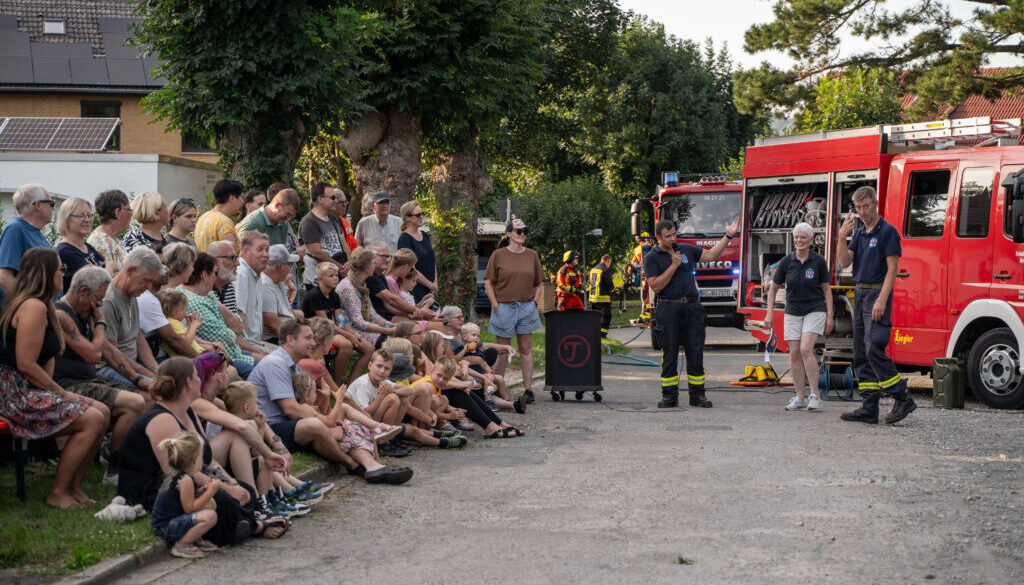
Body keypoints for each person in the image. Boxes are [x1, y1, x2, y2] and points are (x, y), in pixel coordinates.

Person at [118, 357, 285, 542]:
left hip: (188, 478)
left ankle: (245, 522)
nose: (201, 380)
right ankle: (255, 526)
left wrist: (231, 483)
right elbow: (178, 472)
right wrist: (225, 489)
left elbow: (207, 460)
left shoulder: (187, 411)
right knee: (222, 499)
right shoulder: (161, 418)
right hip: (157, 489)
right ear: (189, 383)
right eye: (198, 376)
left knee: (243, 488)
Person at [0, 248, 108, 508]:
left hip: (26, 387)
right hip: (13, 394)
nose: (64, 273)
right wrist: (62, 393)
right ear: (46, 273)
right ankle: (58, 493)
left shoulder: (44, 305)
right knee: (92, 419)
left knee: (103, 411)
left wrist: (52, 392)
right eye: (60, 268)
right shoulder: (32, 306)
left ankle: (74, 488)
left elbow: (43, 360)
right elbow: (25, 364)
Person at [249, 318, 413, 485]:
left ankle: (373, 466)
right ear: (291, 340)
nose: (314, 343)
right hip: (271, 428)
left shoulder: (293, 364)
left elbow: (302, 405)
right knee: (317, 425)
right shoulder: (276, 363)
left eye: (313, 338)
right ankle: (353, 465)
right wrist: (326, 423)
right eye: (308, 338)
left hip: (289, 423)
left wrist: (328, 419)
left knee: (344, 423)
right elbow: (290, 408)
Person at [54, 266, 146, 485]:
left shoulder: (86, 312)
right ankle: (114, 470)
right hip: (68, 383)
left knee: (148, 397)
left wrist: (139, 380)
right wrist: (101, 323)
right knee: (134, 403)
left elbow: (109, 352)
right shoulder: (61, 314)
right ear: (84, 292)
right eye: (98, 300)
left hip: (89, 380)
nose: (100, 306)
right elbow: (94, 355)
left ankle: (127, 464)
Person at [837, 186, 916, 424]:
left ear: (875, 204)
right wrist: (842, 237)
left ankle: (902, 396)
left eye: (866, 206)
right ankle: (869, 407)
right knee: (861, 352)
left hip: (876, 294)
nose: (862, 211)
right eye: (859, 207)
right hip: (859, 293)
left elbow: (893, 269)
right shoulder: (860, 233)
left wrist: (882, 299)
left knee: (874, 348)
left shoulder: (887, 231)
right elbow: (844, 262)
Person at [644, 216, 739, 409]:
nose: (672, 239)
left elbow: (712, 255)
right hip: (668, 307)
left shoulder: (685, 249)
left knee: (695, 351)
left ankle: (698, 395)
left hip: (692, 307)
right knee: (669, 352)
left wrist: (728, 236)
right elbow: (656, 286)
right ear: (658, 237)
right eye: (668, 236)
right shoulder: (652, 257)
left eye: (674, 234)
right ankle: (669, 396)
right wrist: (673, 266)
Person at [764, 222, 834, 411]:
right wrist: (769, 313)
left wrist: (830, 315)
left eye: (803, 237)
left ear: (811, 240)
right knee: (794, 353)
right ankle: (800, 397)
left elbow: (827, 290)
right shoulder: (787, 261)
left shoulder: (818, 261)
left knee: (805, 350)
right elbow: (773, 289)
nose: (799, 240)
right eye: (796, 237)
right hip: (793, 310)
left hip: (815, 308)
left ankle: (815, 396)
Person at [484, 217, 543, 403]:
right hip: (504, 306)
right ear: (509, 233)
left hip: (526, 306)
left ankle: (528, 389)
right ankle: (499, 388)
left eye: (525, 231)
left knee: (525, 349)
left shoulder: (532, 254)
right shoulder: (498, 255)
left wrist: (534, 302)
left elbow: (539, 283)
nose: (523, 234)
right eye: (519, 231)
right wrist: (495, 304)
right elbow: (488, 282)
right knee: (503, 350)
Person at [179, 253, 257, 378]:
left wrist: (216, 304)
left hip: (234, 353)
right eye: (215, 273)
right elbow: (228, 337)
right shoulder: (194, 302)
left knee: (272, 361)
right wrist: (231, 332)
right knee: (270, 371)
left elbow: (237, 326)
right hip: (225, 359)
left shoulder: (206, 294)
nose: (216, 277)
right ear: (204, 275)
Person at [100, 247, 165, 386]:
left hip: (133, 365)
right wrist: (148, 375)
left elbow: (137, 336)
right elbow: (112, 354)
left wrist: (156, 369)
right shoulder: (108, 301)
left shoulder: (132, 292)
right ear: (130, 271)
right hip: (111, 368)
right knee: (163, 393)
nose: (148, 287)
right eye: (146, 280)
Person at [151, 430, 221, 558]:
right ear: (194, 461)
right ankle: (182, 544)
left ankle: (194, 538)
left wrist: (203, 490)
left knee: (210, 504)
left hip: (173, 521)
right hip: (166, 527)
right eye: (201, 457)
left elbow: (185, 498)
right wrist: (211, 491)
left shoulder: (181, 474)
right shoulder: (185, 480)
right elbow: (190, 508)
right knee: (211, 516)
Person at [302, 261, 372, 384]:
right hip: (317, 331)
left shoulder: (333, 295)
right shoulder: (314, 295)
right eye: (331, 276)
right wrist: (348, 335)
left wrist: (351, 332)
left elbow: (340, 320)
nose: (335, 278)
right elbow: (326, 324)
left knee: (369, 348)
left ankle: (351, 383)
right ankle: (337, 382)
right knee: (346, 345)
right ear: (320, 279)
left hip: (331, 329)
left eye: (336, 275)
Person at [0, 183, 54, 297]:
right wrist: (26, 304)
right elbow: (4, 277)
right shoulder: (15, 229)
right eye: (51, 203)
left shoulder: (35, 232)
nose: (53, 208)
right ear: (38, 205)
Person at [337, 248, 396, 346]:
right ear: (366, 267)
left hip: (362, 328)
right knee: (392, 342)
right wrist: (386, 330)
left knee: (402, 334)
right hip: (351, 332)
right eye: (373, 263)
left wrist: (390, 325)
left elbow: (373, 314)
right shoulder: (347, 287)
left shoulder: (361, 284)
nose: (375, 265)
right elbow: (358, 322)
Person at [300, 183, 348, 289]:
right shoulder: (309, 222)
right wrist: (339, 267)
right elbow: (316, 252)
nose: (335, 200)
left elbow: (343, 241)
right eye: (332, 197)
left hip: (337, 277)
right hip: (318, 282)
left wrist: (349, 262)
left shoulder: (333, 218)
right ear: (320, 199)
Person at [55, 197, 105, 293]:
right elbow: (98, 282)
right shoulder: (64, 252)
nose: (87, 220)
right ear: (66, 219)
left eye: (89, 215)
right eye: (81, 216)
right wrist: (107, 270)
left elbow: (111, 267)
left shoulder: (88, 247)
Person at [396, 200, 437, 302]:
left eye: (422, 214)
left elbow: (433, 263)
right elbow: (410, 268)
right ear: (407, 218)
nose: (422, 217)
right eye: (418, 215)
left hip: (431, 290)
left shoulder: (425, 235)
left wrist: (435, 284)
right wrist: (430, 284)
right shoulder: (404, 239)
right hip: (415, 289)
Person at [261, 244, 303, 344]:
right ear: (280, 266)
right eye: (290, 265)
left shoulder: (278, 281)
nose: (291, 269)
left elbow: (288, 310)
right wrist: (296, 340)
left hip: (287, 332)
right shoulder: (265, 284)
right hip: (277, 339)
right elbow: (272, 323)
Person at [235, 231, 271, 344]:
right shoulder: (241, 273)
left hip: (257, 343)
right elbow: (239, 314)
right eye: (260, 249)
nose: (266, 254)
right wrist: (250, 350)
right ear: (246, 251)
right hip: (246, 345)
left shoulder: (257, 273)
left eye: (267, 250)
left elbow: (258, 314)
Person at [88, 189, 132, 278]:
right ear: (118, 212)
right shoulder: (101, 242)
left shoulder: (113, 240)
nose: (131, 213)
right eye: (129, 209)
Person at [236, 188, 300, 248]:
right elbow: (239, 256)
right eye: (288, 214)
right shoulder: (253, 222)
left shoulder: (283, 224)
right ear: (277, 205)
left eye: (292, 216)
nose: (289, 219)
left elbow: (282, 255)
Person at [194, 179, 244, 253]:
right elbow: (229, 257)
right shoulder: (225, 222)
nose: (242, 201)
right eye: (241, 197)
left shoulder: (203, 217)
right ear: (231, 198)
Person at [589, 254, 615, 337]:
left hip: (593, 298)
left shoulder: (593, 269)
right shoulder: (605, 270)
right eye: (609, 262)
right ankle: (603, 335)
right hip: (603, 298)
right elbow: (610, 285)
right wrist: (613, 289)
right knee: (606, 317)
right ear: (607, 261)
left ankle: (595, 334)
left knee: (595, 318)